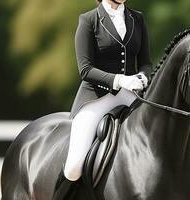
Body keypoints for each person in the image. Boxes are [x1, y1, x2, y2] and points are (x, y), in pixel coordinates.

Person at [54, 0, 152, 195]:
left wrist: (143, 76)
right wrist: (118, 80)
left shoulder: (137, 19)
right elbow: (85, 69)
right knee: (74, 166)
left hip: (130, 96)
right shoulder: (89, 20)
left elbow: (146, 62)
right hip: (96, 97)